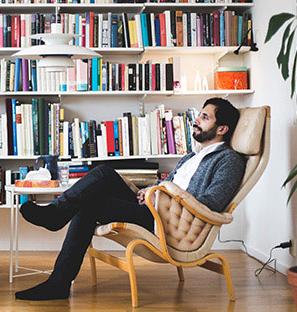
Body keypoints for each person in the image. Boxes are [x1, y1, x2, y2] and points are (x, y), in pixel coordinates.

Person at [15, 97, 246, 301]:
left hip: (167, 223)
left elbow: (211, 201)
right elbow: (170, 183)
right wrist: (151, 190)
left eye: (205, 117)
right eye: (199, 115)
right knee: (103, 172)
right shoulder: (192, 155)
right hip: (153, 206)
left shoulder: (228, 160)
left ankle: (58, 274)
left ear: (222, 129)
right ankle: (57, 215)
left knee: (89, 206)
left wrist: (162, 192)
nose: (196, 120)